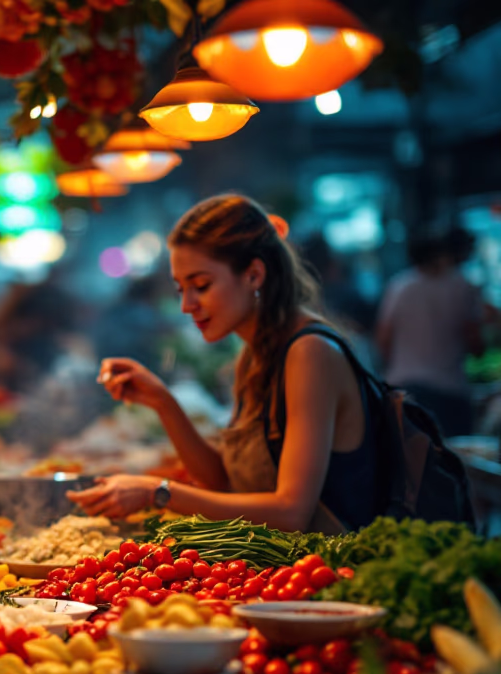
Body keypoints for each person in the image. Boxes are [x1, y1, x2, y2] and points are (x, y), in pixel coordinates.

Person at [69, 194, 379, 533]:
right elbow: (222, 482)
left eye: (201, 285)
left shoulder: (310, 353)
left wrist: (156, 492)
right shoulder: (253, 353)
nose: (187, 305)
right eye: (180, 288)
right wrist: (162, 401)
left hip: (334, 572)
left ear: (254, 275)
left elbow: (291, 512)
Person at [376, 226, 484, 437]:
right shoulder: (462, 285)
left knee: (416, 461)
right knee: (456, 459)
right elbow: (475, 344)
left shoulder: (399, 286)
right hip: (451, 388)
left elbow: (383, 338)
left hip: (404, 387)